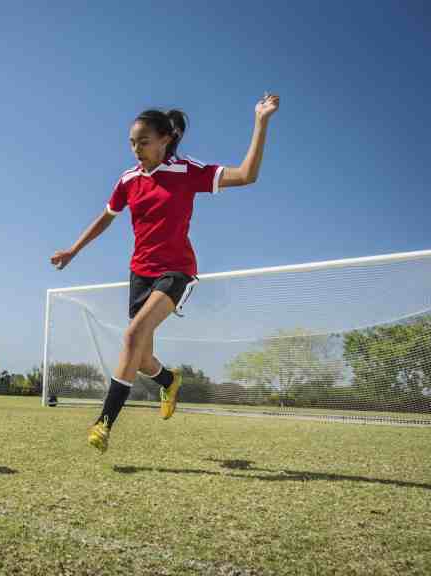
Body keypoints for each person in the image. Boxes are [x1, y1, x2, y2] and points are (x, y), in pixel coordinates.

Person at [50, 93, 280, 453]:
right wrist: (73, 249)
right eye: (131, 143)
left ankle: (104, 423)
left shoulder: (187, 172)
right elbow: (106, 217)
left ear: (165, 139)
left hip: (176, 272)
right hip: (139, 273)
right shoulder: (128, 180)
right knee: (140, 358)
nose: (136, 149)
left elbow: (247, 175)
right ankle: (169, 380)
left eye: (143, 141)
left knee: (131, 336)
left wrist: (261, 121)